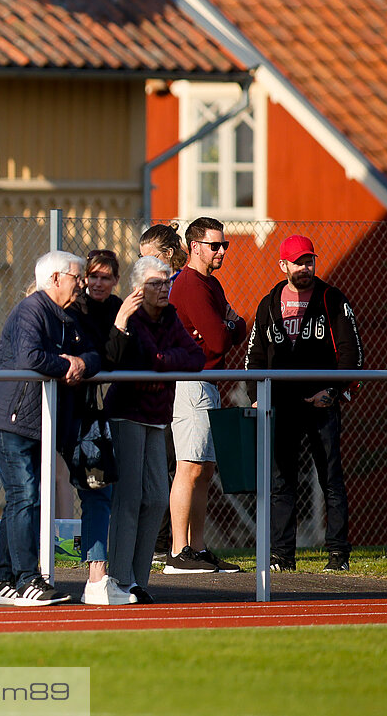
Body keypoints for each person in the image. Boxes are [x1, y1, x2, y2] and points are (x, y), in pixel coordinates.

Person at [0, 251, 95, 607]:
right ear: (56, 279)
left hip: (34, 420)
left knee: (23, 498)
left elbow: (94, 354)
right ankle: (27, 579)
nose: (83, 282)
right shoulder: (31, 310)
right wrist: (67, 364)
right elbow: (30, 357)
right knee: (25, 495)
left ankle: (3, 580)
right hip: (8, 419)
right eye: (77, 276)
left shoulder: (67, 315)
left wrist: (80, 363)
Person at [245, 234, 361, 573]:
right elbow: (254, 356)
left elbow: (352, 352)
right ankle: (282, 556)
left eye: (309, 260)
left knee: (331, 479)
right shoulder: (269, 303)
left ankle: (338, 555)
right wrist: (257, 397)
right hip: (281, 404)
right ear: (283, 265)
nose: (305, 267)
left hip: (322, 404)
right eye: (297, 262)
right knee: (281, 482)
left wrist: (334, 392)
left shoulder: (331, 298)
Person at [104, 255, 204, 604]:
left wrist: (165, 361)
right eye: (155, 283)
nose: (164, 288)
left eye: (166, 282)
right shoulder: (131, 318)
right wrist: (161, 360)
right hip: (128, 414)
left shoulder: (171, 317)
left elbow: (194, 357)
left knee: (158, 496)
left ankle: (137, 580)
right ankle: (117, 578)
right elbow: (138, 359)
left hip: (157, 415)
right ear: (137, 288)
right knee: (130, 498)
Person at [164, 217, 246, 575]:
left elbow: (227, 333)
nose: (222, 250)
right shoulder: (191, 284)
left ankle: (196, 548)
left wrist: (229, 326)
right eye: (215, 245)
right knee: (189, 465)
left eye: (224, 245)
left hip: (209, 383)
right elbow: (218, 338)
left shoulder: (211, 284)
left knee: (206, 468)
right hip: (191, 383)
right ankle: (177, 550)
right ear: (194, 247)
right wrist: (232, 325)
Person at [70, 249, 121, 604]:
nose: (98, 283)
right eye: (94, 277)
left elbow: (117, 357)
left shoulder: (120, 308)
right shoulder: (74, 308)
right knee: (32, 490)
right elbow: (97, 354)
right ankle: (18, 572)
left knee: (98, 489)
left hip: (95, 410)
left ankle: (97, 575)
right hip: (65, 407)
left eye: (106, 277)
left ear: (115, 279)